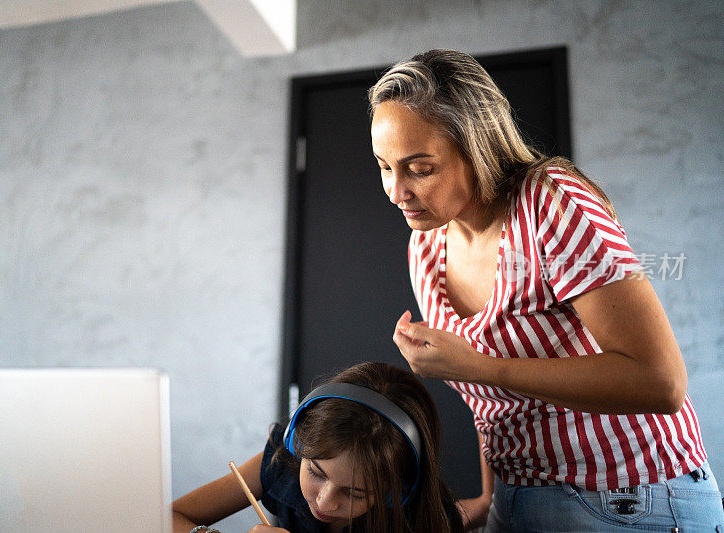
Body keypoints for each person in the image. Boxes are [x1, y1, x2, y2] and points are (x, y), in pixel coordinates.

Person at [368, 49, 724, 531]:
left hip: (630, 500)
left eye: (420, 168)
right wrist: (489, 500)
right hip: (518, 499)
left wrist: (479, 367)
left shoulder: (549, 203)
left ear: (476, 146)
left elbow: (661, 383)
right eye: (385, 166)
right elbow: (490, 404)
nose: (395, 191)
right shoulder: (427, 247)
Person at [172, 361, 464, 533]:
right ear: (297, 442)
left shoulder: (425, 521)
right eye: (316, 472)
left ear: (396, 489)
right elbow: (169, 518)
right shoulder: (282, 459)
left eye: (355, 492)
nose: (324, 502)